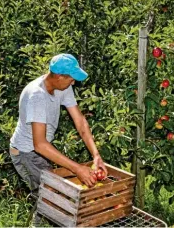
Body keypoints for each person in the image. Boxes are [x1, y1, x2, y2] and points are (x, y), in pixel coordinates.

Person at [9, 53, 107, 224]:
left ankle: (37, 223)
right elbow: (39, 144)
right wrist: (77, 169)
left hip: (40, 151)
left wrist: (96, 154)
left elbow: (80, 122)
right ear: (60, 76)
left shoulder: (63, 87)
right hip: (26, 153)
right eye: (71, 79)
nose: (74, 82)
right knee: (55, 198)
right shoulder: (37, 96)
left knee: (48, 196)